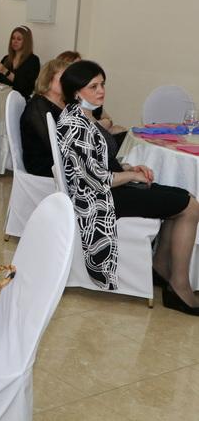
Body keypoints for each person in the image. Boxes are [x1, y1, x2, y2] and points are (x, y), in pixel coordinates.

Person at [56, 60, 199, 315]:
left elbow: (98, 162)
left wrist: (130, 167)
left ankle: (160, 268)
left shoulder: (84, 116)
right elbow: (96, 178)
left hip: (108, 191)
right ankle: (179, 286)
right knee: (189, 206)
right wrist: (131, 175)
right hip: (100, 200)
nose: (101, 91)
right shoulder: (74, 124)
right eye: (94, 86)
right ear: (77, 91)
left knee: (183, 197)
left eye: (102, 84)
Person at [20, 56, 75, 176]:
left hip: (62, 156)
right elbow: (52, 145)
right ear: (48, 79)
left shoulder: (65, 101)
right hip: (45, 163)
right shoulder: (38, 106)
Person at [0, 25, 39, 97]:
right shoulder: (6, 58)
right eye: (13, 38)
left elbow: (24, 85)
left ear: (26, 42)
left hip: (21, 99)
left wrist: (5, 71)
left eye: (19, 39)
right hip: (3, 96)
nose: (15, 41)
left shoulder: (33, 60)